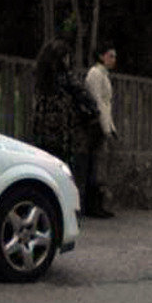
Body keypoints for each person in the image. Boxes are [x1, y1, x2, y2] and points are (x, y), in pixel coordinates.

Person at [32, 39, 100, 199]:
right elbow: (86, 98)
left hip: (41, 132)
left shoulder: (40, 78)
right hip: (63, 133)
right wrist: (91, 115)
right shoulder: (66, 78)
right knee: (63, 169)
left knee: (44, 168)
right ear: (63, 58)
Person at [85, 44, 118, 218]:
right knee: (95, 165)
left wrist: (111, 127)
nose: (113, 59)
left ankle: (98, 203)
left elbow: (107, 104)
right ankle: (92, 205)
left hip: (102, 122)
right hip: (96, 123)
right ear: (101, 56)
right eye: (110, 55)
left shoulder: (103, 75)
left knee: (100, 165)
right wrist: (106, 127)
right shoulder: (95, 74)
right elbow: (98, 102)